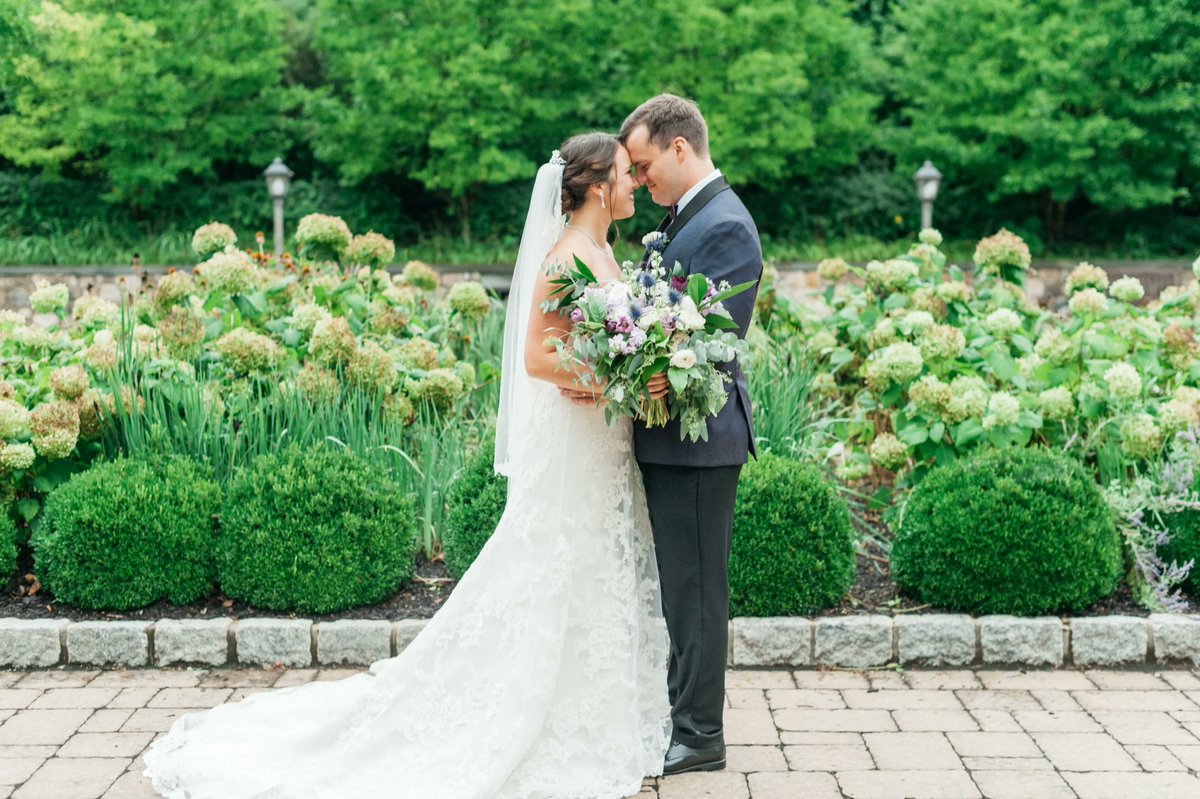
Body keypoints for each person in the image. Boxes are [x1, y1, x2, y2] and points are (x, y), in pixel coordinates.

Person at [142, 132, 673, 799]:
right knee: (554, 560)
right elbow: (540, 358)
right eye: (627, 175)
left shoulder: (602, 249)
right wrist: (612, 380)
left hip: (599, 438)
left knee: (594, 562)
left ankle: (593, 716)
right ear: (598, 186)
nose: (633, 184)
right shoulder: (564, 256)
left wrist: (633, 367)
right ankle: (519, 712)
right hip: (572, 435)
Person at [565, 94, 762, 776]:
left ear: (680, 149)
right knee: (682, 587)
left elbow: (710, 336)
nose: (639, 179)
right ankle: (683, 718)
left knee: (697, 589)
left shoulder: (726, 225)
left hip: (700, 440)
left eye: (645, 165)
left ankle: (701, 734)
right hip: (673, 438)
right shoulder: (688, 220)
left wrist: (636, 360)